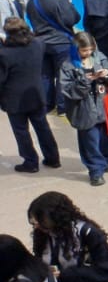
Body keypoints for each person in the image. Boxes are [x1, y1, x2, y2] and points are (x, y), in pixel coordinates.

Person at [1, 17, 60, 173]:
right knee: (43, 128)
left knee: (21, 132)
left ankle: (30, 161)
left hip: (14, 100)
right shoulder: (38, 45)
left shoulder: (4, 54)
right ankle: (53, 158)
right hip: (36, 94)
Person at [58, 31, 108, 186]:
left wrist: (107, 74)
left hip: (104, 106)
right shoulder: (68, 66)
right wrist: (84, 81)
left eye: (90, 49)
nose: (88, 53)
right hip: (84, 109)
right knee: (90, 142)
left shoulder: (99, 57)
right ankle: (95, 170)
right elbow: (67, 90)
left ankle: (105, 160)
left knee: (107, 138)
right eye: (84, 50)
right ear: (76, 49)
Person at [26, 0, 80, 114]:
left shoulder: (33, 1)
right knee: (63, 74)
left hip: (40, 43)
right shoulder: (59, 1)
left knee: (45, 75)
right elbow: (73, 19)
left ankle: (47, 105)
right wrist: (68, 4)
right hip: (60, 43)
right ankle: (63, 107)